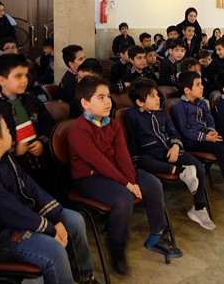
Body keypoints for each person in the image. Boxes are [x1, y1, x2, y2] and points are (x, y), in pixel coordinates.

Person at [0, 109, 98, 284]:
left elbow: (29, 186)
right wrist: (50, 228)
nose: (10, 130)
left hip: (17, 220)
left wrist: (55, 217)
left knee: (74, 220)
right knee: (53, 250)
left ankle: (84, 277)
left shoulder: (2, 156)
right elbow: (12, 212)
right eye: (6, 129)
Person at [68, 76, 182, 275]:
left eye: (108, 96)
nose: (108, 101)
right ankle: (116, 246)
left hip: (115, 171)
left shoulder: (112, 125)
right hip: (89, 178)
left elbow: (122, 155)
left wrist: (131, 179)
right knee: (123, 198)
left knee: (153, 184)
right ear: (85, 103)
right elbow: (99, 162)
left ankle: (156, 236)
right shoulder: (79, 130)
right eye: (101, 98)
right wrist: (127, 184)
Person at [125, 78, 215, 230]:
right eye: (152, 96)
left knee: (198, 167)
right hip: (150, 153)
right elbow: (132, 140)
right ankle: (181, 171)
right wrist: (134, 159)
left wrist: (175, 146)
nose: (158, 98)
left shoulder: (162, 112)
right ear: (140, 102)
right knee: (143, 161)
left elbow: (173, 132)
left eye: (157, 95)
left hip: (169, 150)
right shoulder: (131, 115)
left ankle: (199, 208)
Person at [0, 54, 64, 203]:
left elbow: (50, 124)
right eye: (18, 76)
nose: (25, 80)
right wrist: (14, 148)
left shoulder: (31, 100)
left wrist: (42, 142)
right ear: (1, 80)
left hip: (44, 162)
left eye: (26, 75)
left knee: (55, 195)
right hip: (16, 169)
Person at [172, 71, 224, 202]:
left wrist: (211, 131)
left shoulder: (201, 103)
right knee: (219, 149)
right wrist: (205, 137)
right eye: (198, 85)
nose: (202, 87)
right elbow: (185, 130)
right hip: (193, 141)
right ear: (187, 90)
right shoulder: (179, 107)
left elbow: (210, 120)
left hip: (208, 136)